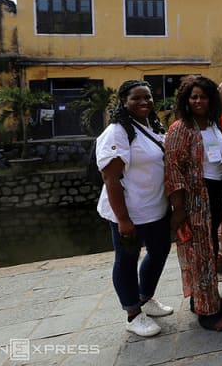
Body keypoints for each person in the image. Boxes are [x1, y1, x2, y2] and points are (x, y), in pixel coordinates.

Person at [96, 80, 173, 337]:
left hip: (155, 208)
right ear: (124, 102)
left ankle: (145, 297)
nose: (144, 103)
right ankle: (132, 314)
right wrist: (123, 220)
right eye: (136, 98)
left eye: (148, 97)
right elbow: (111, 179)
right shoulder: (117, 132)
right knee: (127, 260)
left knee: (159, 251)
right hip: (129, 212)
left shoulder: (152, 125)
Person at [164, 76, 222, 331]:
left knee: (210, 249)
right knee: (201, 253)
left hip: (216, 194)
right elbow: (173, 171)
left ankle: (203, 297)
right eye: (194, 97)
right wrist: (178, 210)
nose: (199, 101)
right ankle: (207, 313)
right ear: (186, 100)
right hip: (195, 199)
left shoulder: (213, 124)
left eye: (203, 96)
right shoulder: (180, 128)